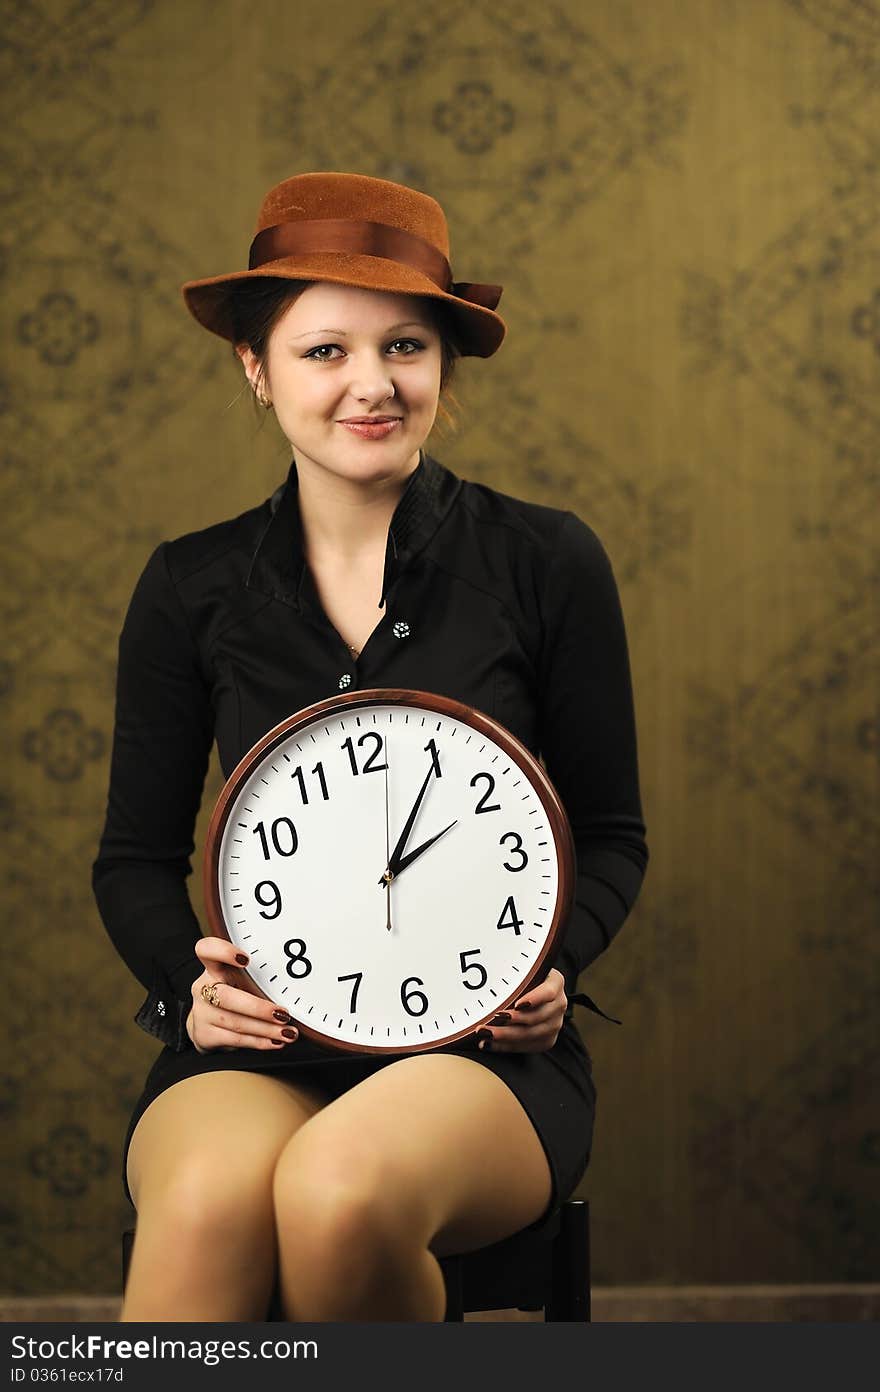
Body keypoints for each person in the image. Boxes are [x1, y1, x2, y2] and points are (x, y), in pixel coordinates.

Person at [92, 171, 649, 1322]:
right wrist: (184, 998)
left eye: (403, 345)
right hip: (261, 1046)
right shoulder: (191, 585)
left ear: (442, 365)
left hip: (481, 1062)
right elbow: (133, 860)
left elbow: (608, 835)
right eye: (323, 351)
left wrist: (556, 968)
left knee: (338, 1191)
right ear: (256, 369)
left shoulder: (545, 562)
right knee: (202, 1201)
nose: (370, 384)